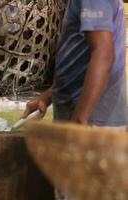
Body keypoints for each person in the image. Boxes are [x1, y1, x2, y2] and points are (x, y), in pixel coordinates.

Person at [22, 0, 127, 199]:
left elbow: (104, 55)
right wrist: (48, 96)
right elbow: (83, 56)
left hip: (92, 122)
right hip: (90, 118)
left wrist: (78, 123)